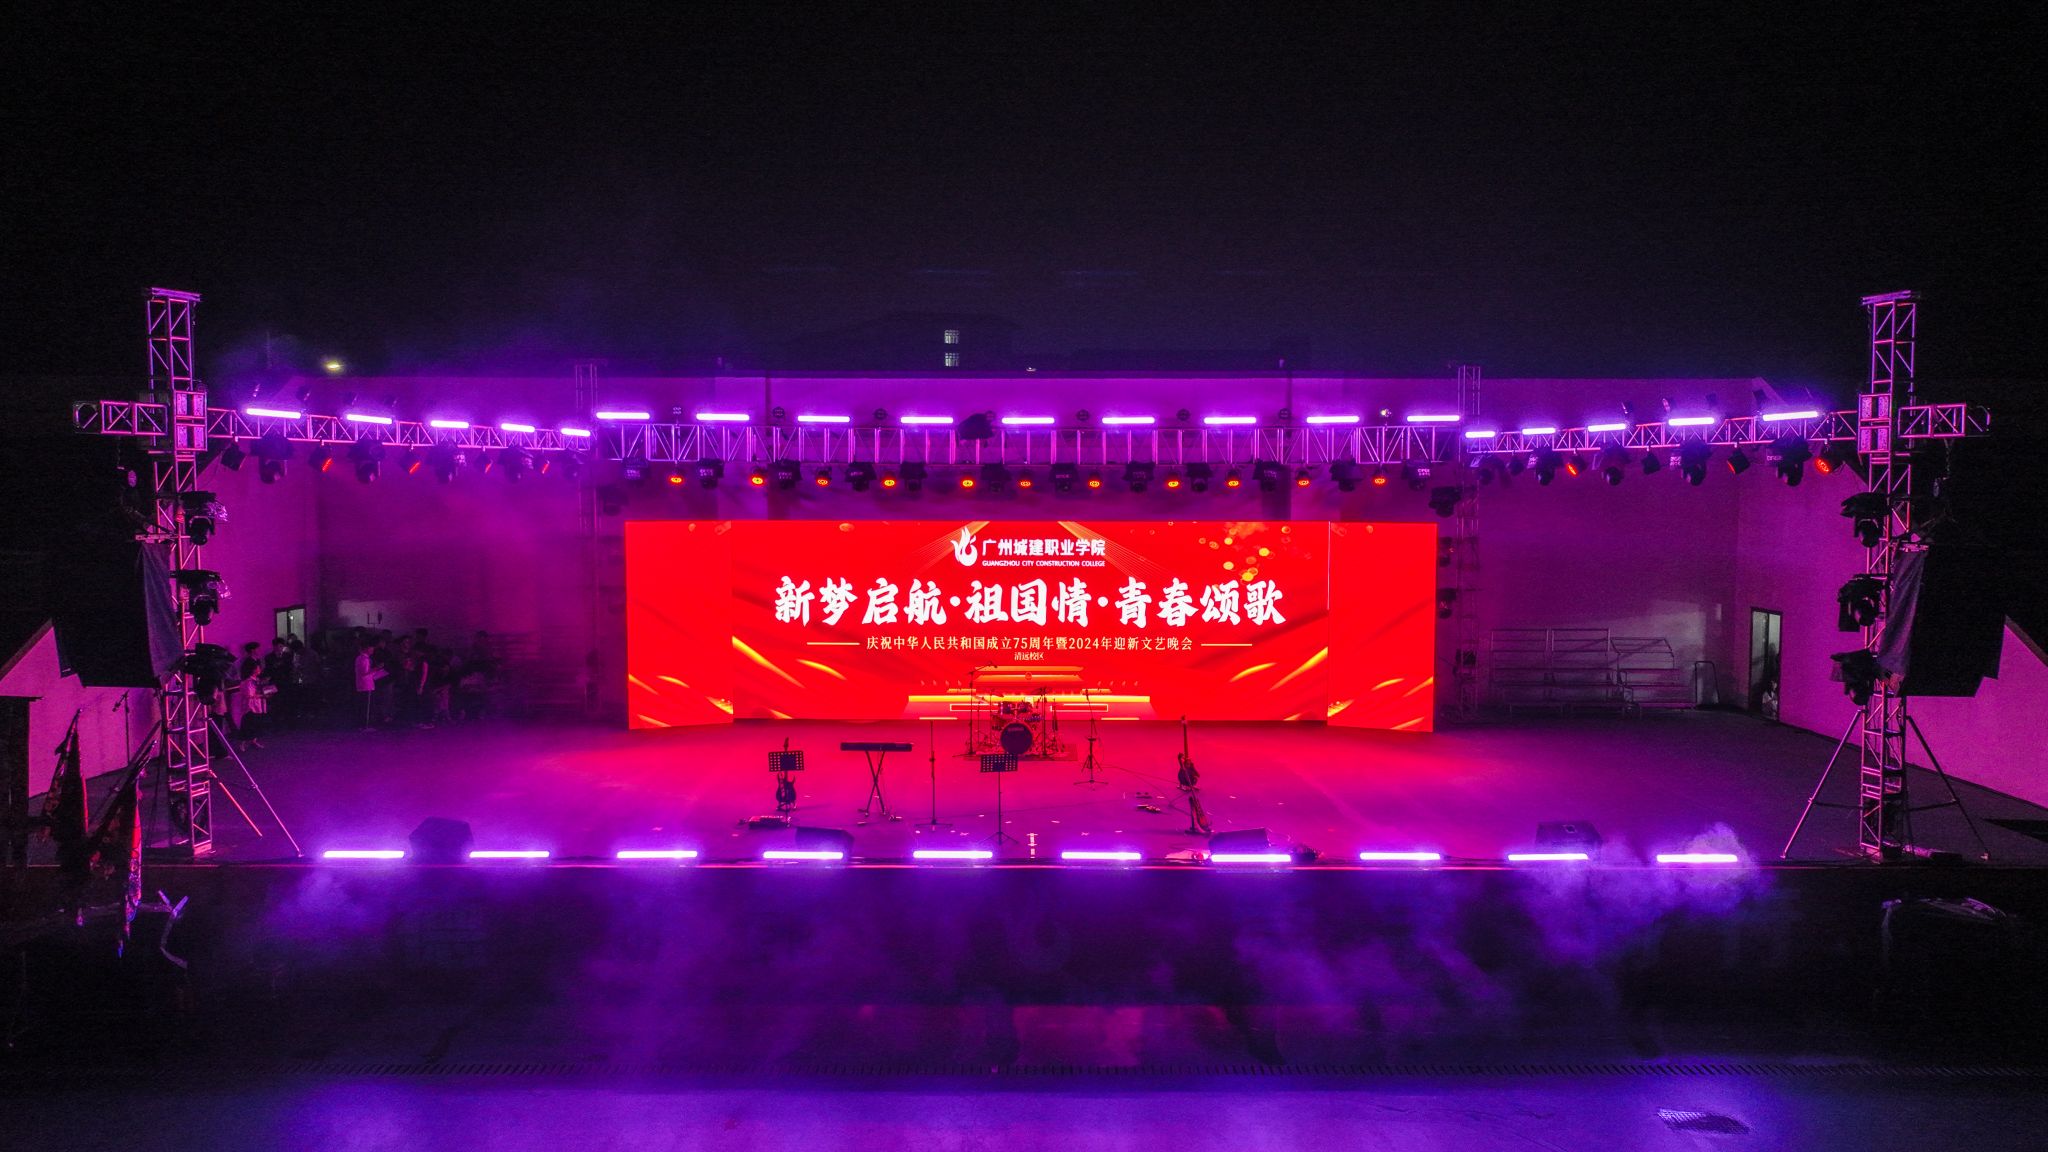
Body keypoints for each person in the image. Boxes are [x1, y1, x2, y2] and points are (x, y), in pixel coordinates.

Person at [354, 640, 386, 730]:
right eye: (371, 647)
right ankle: (365, 726)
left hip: (363, 685)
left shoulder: (361, 658)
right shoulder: (364, 659)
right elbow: (365, 672)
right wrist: (377, 668)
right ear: (366, 648)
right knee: (367, 707)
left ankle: (363, 725)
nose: (373, 649)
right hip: (366, 685)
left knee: (364, 706)